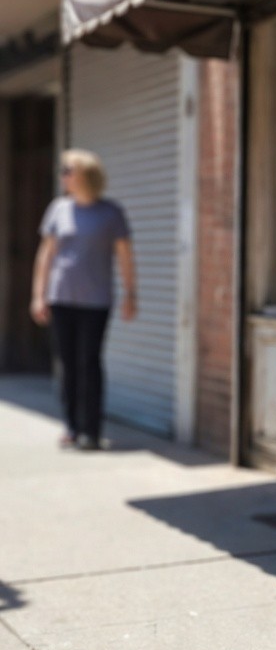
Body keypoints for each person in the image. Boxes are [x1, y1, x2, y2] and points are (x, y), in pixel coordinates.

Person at [30, 149, 137, 450]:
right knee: (67, 363)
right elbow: (46, 255)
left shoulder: (111, 213)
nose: (63, 176)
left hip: (96, 300)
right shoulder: (58, 209)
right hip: (61, 297)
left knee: (89, 362)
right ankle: (71, 426)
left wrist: (131, 293)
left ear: (85, 175)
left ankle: (92, 430)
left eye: (68, 170)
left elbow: (125, 256)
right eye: (63, 171)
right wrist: (38, 295)